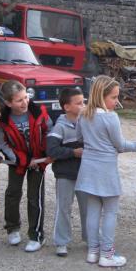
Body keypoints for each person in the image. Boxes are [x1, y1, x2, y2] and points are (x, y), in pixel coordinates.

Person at [75, 76, 136, 268]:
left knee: (93, 211)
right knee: (111, 212)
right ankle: (107, 254)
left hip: (88, 169)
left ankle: (93, 252)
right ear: (101, 96)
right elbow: (120, 145)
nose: (117, 101)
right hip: (106, 170)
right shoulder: (110, 117)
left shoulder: (83, 114)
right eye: (114, 97)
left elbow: (79, 137)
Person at [0, 80, 52, 252]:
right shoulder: (2, 119)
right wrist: (22, 160)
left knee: (35, 197)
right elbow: (2, 143)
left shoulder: (39, 111)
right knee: (13, 193)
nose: (25, 102)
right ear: (8, 103)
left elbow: (50, 131)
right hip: (17, 162)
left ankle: (36, 236)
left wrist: (48, 153)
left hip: (38, 162)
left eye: (26, 97)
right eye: (19, 100)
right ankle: (12, 228)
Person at [47, 87, 88, 257]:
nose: (83, 105)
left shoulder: (87, 123)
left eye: (84, 102)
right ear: (67, 107)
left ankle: (90, 239)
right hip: (65, 175)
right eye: (79, 103)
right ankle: (61, 242)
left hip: (85, 174)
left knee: (88, 208)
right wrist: (73, 152)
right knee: (63, 208)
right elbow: (52, 150)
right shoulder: (59, 127)